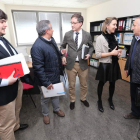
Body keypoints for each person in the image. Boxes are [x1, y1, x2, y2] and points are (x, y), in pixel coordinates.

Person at [0, 9, 32, 140]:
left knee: (17, 109)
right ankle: (10, 131)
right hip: (4, 91)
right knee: (5, 124)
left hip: (16, 84)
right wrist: (7, 81)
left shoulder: (3, 39)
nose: (5, 25)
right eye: (2, 22)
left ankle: (16, 126)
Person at [31, 20, 65, 125]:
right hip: (45, 79)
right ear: (47, 31)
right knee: (45, 98)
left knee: (56, 95)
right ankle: (45, 114)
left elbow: (56, 52)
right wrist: (46, 82)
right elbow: (38, 68)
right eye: (51, 28)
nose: (53, 30)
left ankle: (56, 109)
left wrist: (62, 56)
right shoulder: (37, 47)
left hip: (55, 74)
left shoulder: (51, 39)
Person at [60, 13, 94, 110]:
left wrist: (89, 54)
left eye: (74, 23)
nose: (72, 25)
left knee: (84, 84)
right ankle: (72, 100)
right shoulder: (67, 34)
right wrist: (63, 55)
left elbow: (91, 47)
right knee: (71, 85)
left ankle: (83, 98)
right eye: (71, 23)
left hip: (83, 64)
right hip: (71, 64)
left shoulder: (87, 35)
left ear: (80, 23)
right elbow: (62, 46)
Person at [95, 17, 122, 113]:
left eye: (116, 24)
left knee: (113, 83)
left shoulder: (114, 37)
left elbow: (114, 50)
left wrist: (117, 53)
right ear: (107, 26)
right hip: (105, 65)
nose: (116, 26)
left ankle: (110, 99)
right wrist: (112, 53)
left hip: (114, 63)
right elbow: (98, 55)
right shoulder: (100, 38)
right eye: (114, 24)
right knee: (101, 83)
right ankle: (99, 101)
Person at [124, 17, 140, 119]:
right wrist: (127, 67)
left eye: (134, 25)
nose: (132, 28)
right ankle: (135, 113)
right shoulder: (135, 38)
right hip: (134, 72)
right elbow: (130, 54)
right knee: (134, 94)